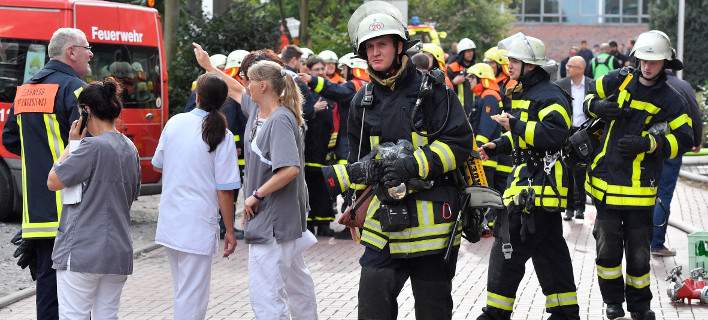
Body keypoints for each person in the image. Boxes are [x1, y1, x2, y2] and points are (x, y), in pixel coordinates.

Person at [322, 2, 474, 318]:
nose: (376, 52)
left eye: (382, 44)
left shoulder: (433, 90)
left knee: (433, 311)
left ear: (399, 46)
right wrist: (355, 183)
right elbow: (354, 154)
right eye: (370, 47)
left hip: (433, 224)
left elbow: (459, 144)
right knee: (372, 304)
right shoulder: (361, 102)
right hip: (384, 223)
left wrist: (413, 164)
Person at [194, 43, 318, 320]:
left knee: (265, 291)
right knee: (295, 280)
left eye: (249, 80)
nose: (244, 85)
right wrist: (209, 68)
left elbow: (289, 169)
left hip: (273, 218)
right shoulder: (259, 110)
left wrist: (256, 195)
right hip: (278, 218)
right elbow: (234, 90)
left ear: (262, 86)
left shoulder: (280, 120)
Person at [583, 30, 694, 320]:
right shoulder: (619, 80)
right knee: (607, 253)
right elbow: (588, 96)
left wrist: (650, 144)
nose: (647, 66)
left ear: (665, 63)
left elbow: (685, 138)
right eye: (643, 60)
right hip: (605, 185)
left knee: (638, 255)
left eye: (654, 62)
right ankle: (612, 303)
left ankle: (640, 306)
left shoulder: (672, 99)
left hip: (640, 192)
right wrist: (596, 106)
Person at [477, 32, 579, 320]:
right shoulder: (526, 92)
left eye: (514, 60)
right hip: (530, 187)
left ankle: (495, 314)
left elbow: (554, 136)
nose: (508, 64)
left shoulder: (550, 95)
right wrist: (497, 145)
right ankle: (565, 312)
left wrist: (515, 124)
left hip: (538, 189)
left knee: (506, 251)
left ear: (530, 65)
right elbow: (524, 138)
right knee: (550, 253)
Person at [2, 27, 92, 320]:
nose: (91, 53)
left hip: (37, 212)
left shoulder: (26, 89)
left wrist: (40, 157)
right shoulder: (75, 88)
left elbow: (10, 140)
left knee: (47, 286)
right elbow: (90, 142)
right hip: (71, 207)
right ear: (71, 52)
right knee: (76, 291)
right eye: (87, 48)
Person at [47, 78, 140, 319]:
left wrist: (72, 143)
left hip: (82, 249)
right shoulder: (130, 148)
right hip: (117, 250)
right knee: (107, 315)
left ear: (86, 111)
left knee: (73, 315)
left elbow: (53, 180)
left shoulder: (91, 147)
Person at [152, 73, 240, 320]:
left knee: (182, 289)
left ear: (197, 96)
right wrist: (230, 231)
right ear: (223, 101)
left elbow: (158, 162)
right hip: (198, 222)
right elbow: (225, 189)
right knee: (193, 294)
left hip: (171, 219)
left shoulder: (175, 122)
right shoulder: (224, 135)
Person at [651, 71, 703, 256]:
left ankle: (639, 241)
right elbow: (694, 115)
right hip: (673, 148)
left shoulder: (647, 86)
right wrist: (696, 140)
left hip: (648, 148)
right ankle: (656, 243)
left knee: (645, 193)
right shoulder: (683, 86)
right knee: (663, 194)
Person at [302, 56, 336, 234]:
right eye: (317, 70)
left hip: (326, 146)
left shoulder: (330, 90)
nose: (321, 72)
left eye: (322, 69)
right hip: (309, 146)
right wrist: (313, 109)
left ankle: (324, 224)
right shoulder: (305, 91)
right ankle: (307, 223)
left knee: (324, 186)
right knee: (308, 185)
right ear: (309, 71)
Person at [555, 56, 592, 221]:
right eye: (567, 65)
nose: (567, 68)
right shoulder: (560, 85)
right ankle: (569, 208)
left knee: (581, 171)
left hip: (585, 133)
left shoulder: (592, 85)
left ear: (581, 69)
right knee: (567, 170)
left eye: (571, 66)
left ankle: (580, 207)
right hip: (567, 133)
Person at [447, 37, 477, 119]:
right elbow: (445, 89)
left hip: (474, 109)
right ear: (461, 53)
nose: (471, 53)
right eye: (468, 51)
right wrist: (453, 83)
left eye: (472, 51)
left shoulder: (477, 68)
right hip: (457, 110)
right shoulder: (452, 68)